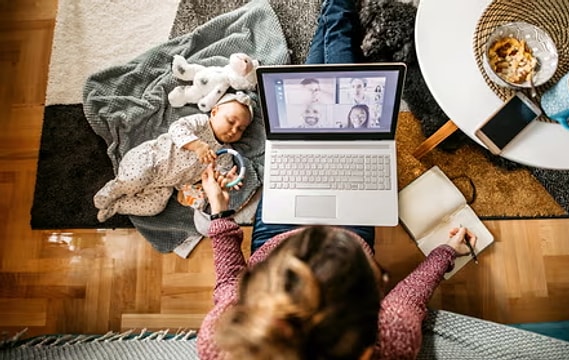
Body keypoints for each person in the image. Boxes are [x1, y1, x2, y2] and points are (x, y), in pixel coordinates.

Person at [196, 1, 478, 359]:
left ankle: (334, 12)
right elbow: (410, 299)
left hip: (275, 232)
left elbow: (228, 283)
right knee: (337, 105)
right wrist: (445, 255)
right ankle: (335, 12)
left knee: (314, 104)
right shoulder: (390, 345)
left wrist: (220, 215)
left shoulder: (224, 342)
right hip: (347, 229)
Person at [93, 91, 253, 222]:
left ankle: (117, 206)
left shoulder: (225, 154)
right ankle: (113, 190)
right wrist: (196, 145)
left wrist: (226, 180)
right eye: (231, 121)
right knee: (134, 179)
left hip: (163, 185)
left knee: (155, 206)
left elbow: (219, 174)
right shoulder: (201, 123)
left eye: (241, 129)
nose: (234, 130)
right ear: (214, 112)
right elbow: (177, 128)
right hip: (151, 160)